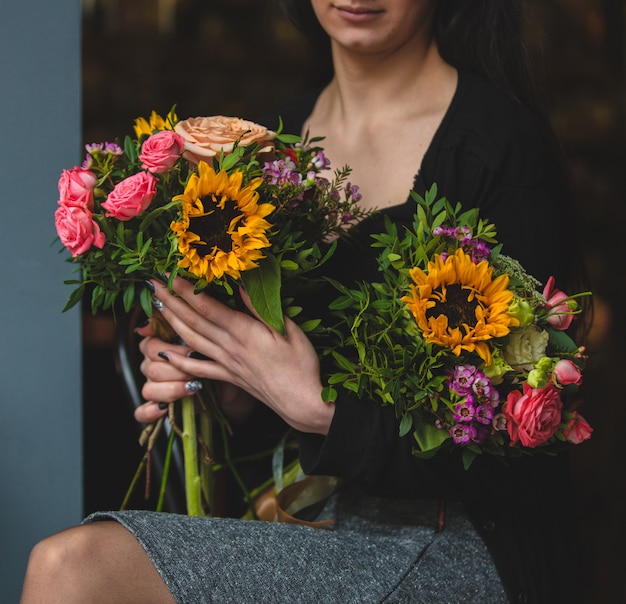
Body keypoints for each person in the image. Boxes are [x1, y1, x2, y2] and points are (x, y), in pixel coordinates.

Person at [21, 1, 588, 602]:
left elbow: (523, 446)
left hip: (454, 538)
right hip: (298, 513)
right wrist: (224, 386)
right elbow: (265, 407)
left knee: (74, 568)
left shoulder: (496, 144)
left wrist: (322, 408)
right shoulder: (262, 153)